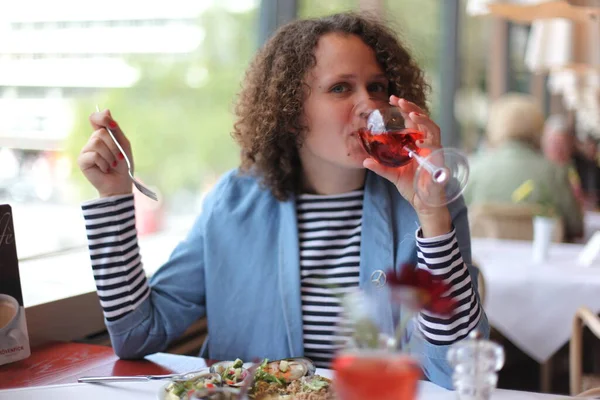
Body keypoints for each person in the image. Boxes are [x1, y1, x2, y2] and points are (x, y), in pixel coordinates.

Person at [77, 12, 488, 389]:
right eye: (341, 87)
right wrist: (113, 196)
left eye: (377, 87)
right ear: (292, 112)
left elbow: (456, 369)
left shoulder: (428, 205)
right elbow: (136, 334)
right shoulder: (233, 204)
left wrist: (433, 216)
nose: (370, 105)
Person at [464, 93, 583, 241]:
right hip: (548, 262)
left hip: (482, 262)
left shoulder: (472, 169)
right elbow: (576, 226)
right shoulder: (555, 172)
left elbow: (452, 223)